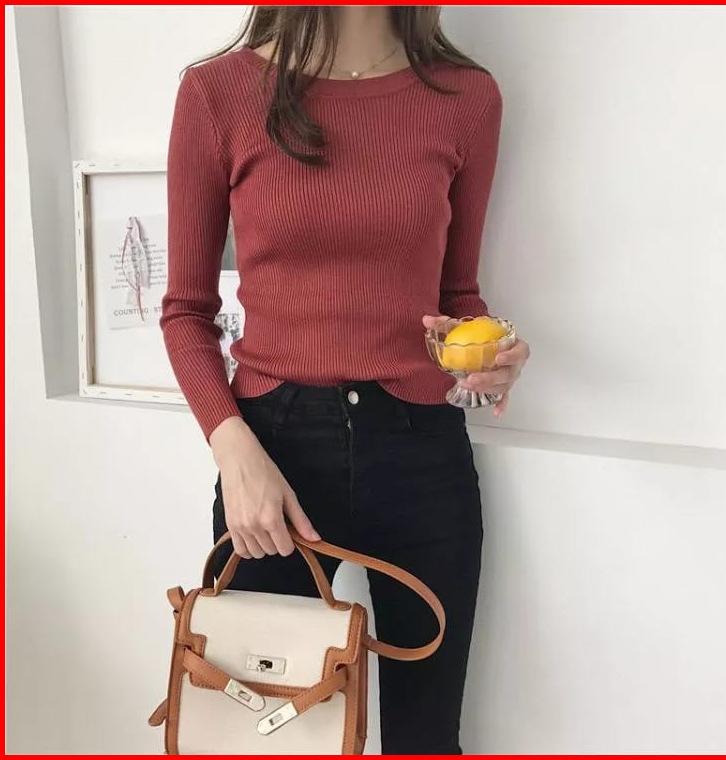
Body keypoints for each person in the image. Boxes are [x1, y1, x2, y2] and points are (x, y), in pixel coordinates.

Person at [160, 5, 530, 754]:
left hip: (423, 455)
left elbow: (457, 296)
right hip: (272, 455)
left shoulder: (467, 97)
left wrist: (489, 354)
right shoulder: (218, 92)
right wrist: (234, 451)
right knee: (269, 737)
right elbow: (185, 312)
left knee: (426, 739)